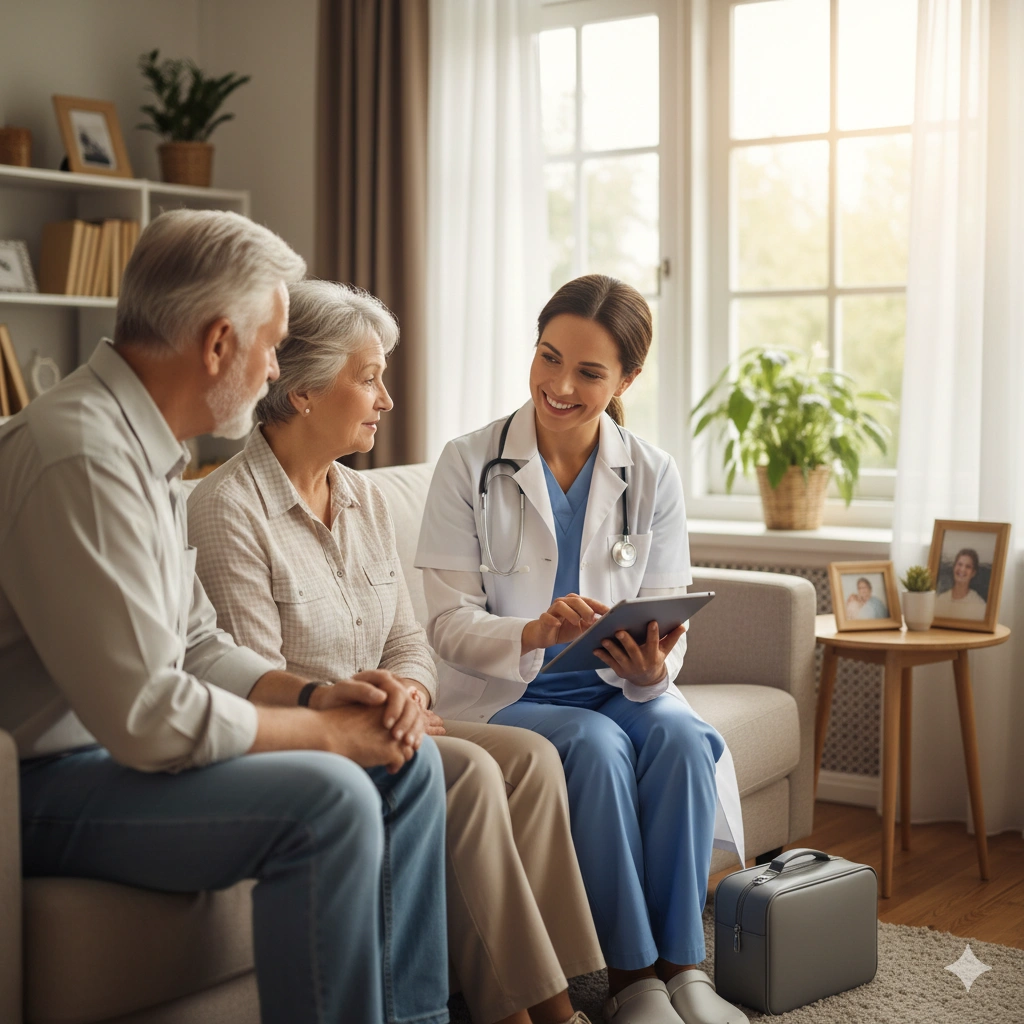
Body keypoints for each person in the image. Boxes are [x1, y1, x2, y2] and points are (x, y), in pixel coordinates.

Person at [0, 210, 450, 1024]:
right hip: (40, 783)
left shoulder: (147, 451)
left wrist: (317, 697)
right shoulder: (82, 456)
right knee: (331, 797)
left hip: (109, 761)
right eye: (271, 346)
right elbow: (148, 715)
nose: (276, 369)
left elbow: (198, 642)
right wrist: (325, 735)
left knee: (405, 763)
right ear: (218, 344)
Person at [187, 279, 602, 1024]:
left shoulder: (366, 498)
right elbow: (254, 679)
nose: (385, 399)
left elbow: (409, 640)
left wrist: (411, 693)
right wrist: (382, 710)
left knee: (532, 760)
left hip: (395, 719)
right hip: (316, 739)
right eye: (369, 378)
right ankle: (538, 1014)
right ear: (303, 392)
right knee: (471, 772)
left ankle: (558, 987)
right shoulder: (227, 509)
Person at [415, 274, 747, 1024]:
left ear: (626, 379)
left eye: (589, 372)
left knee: (683, 736)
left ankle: (684, 968)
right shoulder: (468, 463)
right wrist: (534, 631)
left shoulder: (651, 472)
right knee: (596, 747)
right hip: (507, 693)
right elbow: (446, 625)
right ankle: (632, 979)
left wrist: (653, 669)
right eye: (548, 357)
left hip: (615, 686)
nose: (559, 386)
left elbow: (668, 609)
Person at [934, 548, 987, 620]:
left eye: (968, 566)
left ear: (973, 573)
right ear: (954, 567)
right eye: (960, 564)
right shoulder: (941, 599)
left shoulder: (979, 604)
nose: (962, 569)